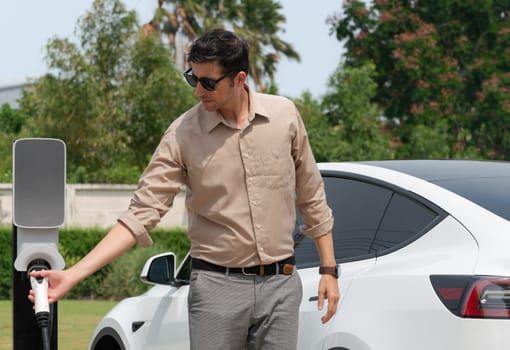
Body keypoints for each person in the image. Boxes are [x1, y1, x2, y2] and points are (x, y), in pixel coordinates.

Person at [30, 28, 340, 350]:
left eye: (208, 82)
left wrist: (328, 270)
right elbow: (141, 213)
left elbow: (311, 194)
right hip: (217, 288)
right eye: (193, 79)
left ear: (239, 79)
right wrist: (74, 274)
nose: (198, 92)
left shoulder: (284, 116)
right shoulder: (182, 135)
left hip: (281, 285)